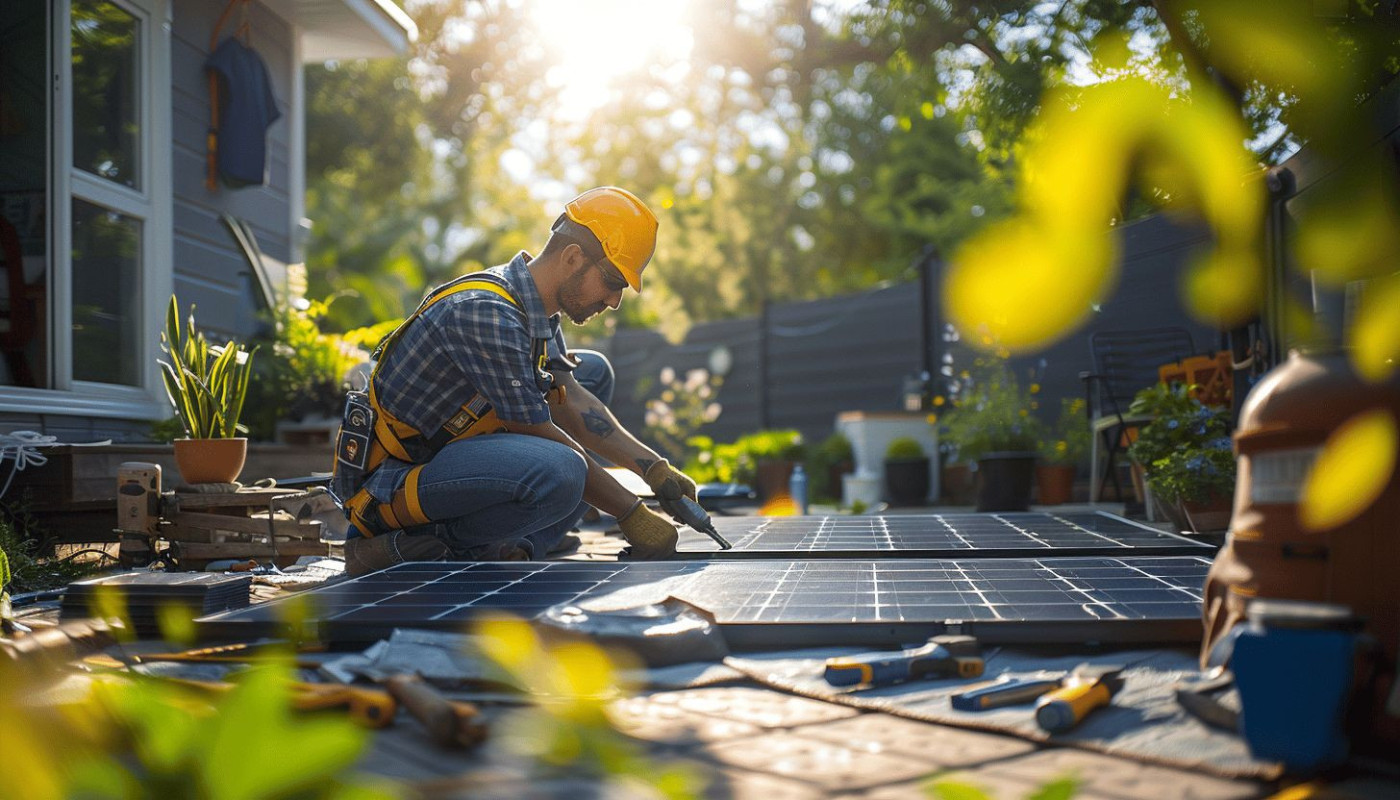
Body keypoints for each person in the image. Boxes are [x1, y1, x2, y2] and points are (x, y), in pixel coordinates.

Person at [332, 186, 698, 576]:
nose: (613, 301)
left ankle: (520, 543)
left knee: (591, 373)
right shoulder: (487, 313)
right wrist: (631, 513)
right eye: (612, 281)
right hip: (393, 484)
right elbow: (539, 430)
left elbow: (572, 401)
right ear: (573, 258)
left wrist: (654, 469)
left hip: (450, 459)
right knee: (562, 470)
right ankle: (415, 545)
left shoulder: (537, 309)